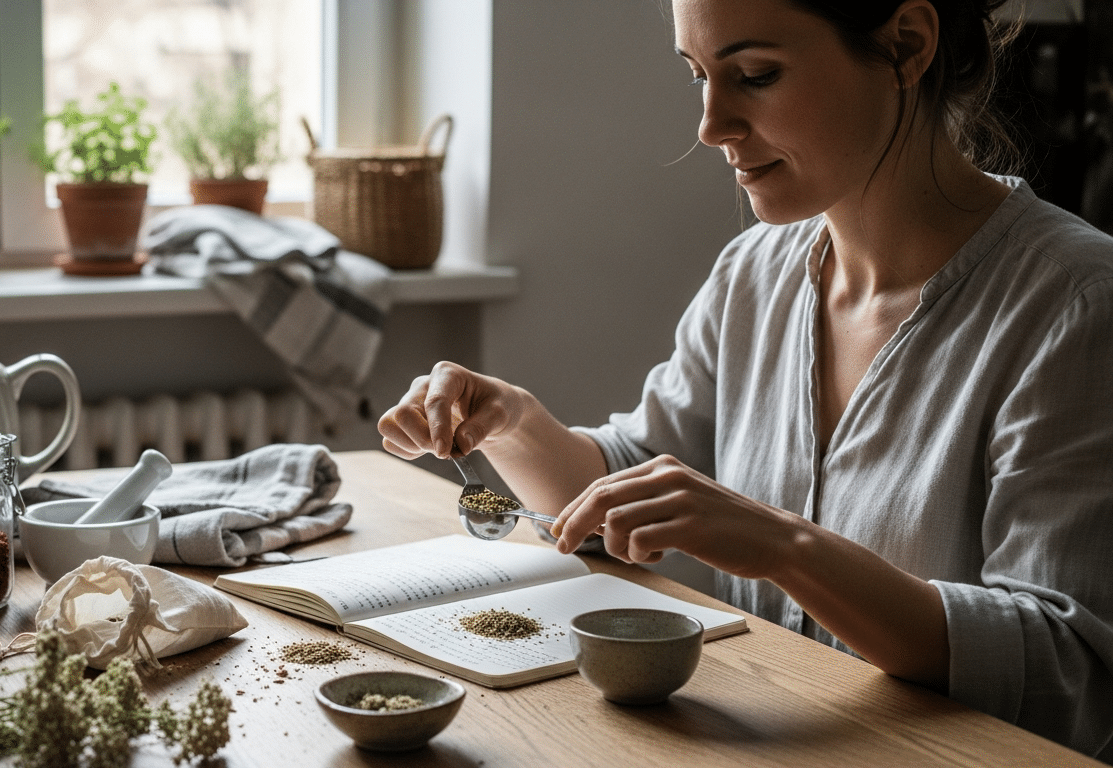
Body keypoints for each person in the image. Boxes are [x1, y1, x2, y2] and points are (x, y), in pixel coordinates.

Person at [377, 0, 1113, 759]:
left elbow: (1068, 671)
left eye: (754, 75)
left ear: (906, 45)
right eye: (698, 75)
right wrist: (515, 424)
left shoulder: (1077, 304)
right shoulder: (752, 276)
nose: (709, 125)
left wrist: (787, 548)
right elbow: (625, 489)